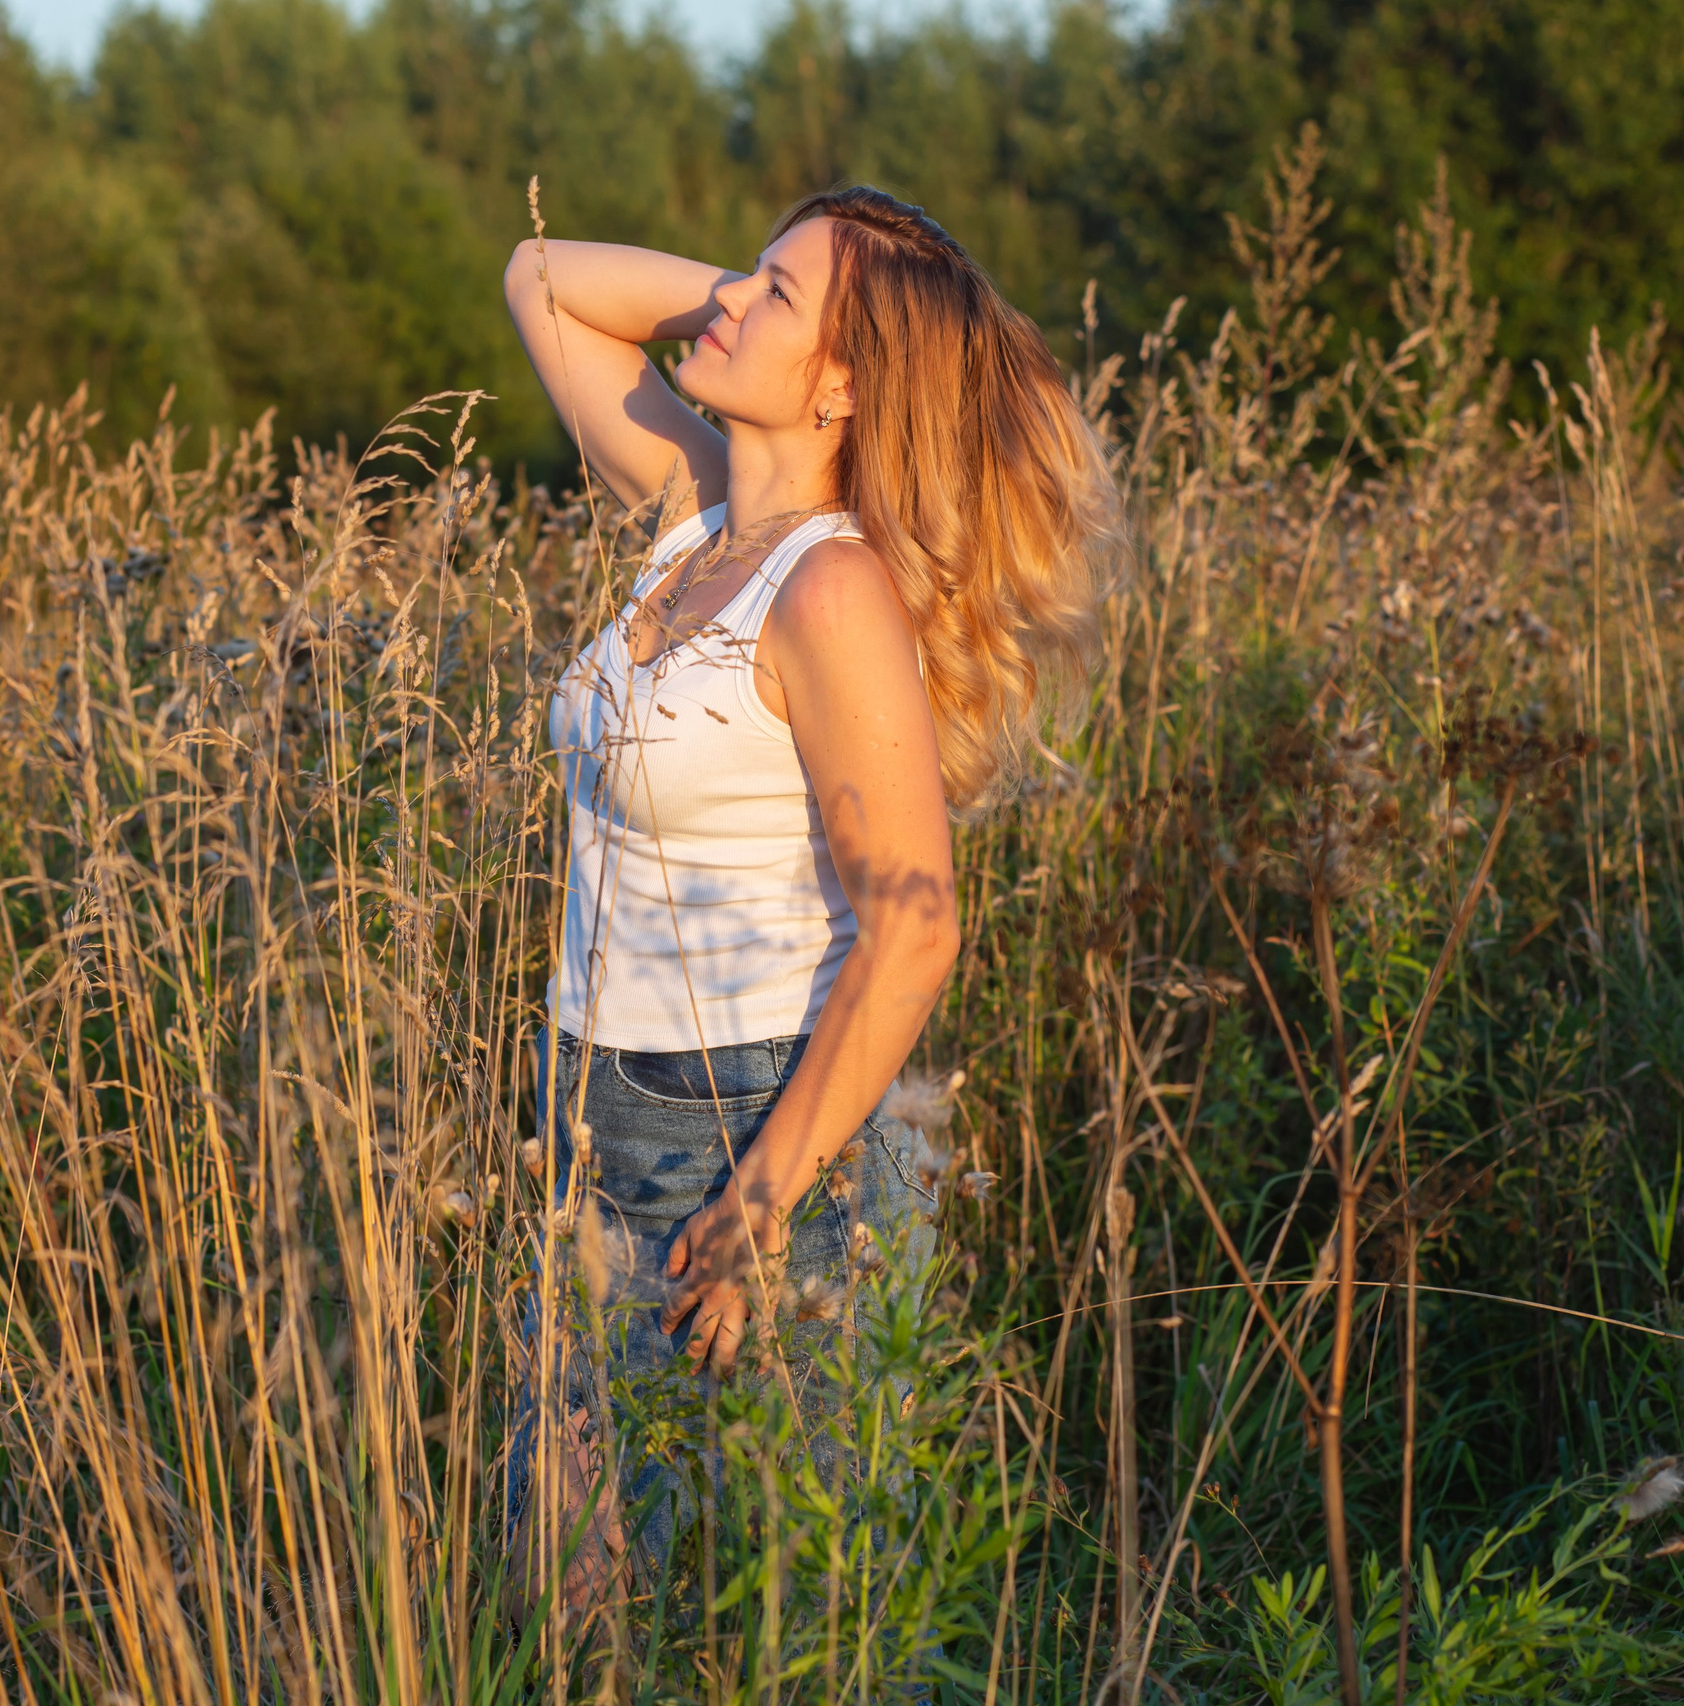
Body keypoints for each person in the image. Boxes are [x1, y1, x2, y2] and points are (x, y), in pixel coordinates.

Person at [500, 186, 1118, 1616]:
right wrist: (767, 296)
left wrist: (762, 1198)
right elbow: (542, 275)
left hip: (755, 1125)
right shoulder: (687, 512)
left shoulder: (827, 589)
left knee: (790, 1606)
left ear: (843, 381)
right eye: (745, 276)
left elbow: (915, 923)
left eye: (774, 296)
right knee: (574, 1584)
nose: (723, 303)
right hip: (595, 1100)